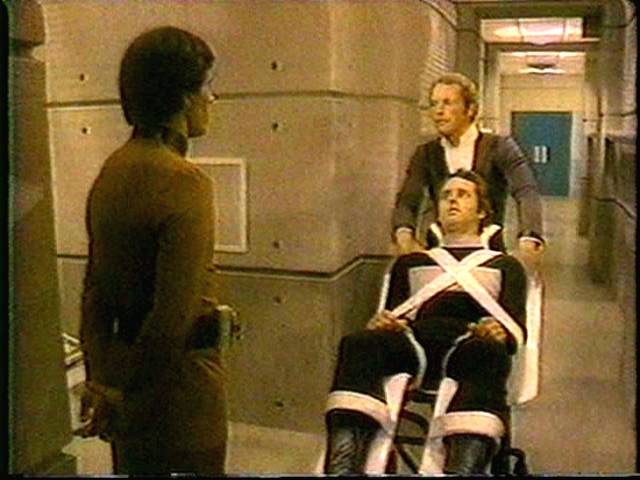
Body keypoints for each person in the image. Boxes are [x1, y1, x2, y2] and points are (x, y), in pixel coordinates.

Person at [78, 26, 227, 475]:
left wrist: (105, 383)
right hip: (180, 392)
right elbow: (171, 318)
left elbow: (94, 295)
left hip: (125, 383)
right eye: (206, 86)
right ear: (182, 98)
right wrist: (127, 392)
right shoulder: (185, 182)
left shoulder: (112, 171)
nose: (212, 98)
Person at [323, 170, 528, 474]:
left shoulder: (506, 266)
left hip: (471, 344)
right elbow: (393, 313)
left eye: (463, 195)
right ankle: (343, 467)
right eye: (446, 196)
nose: (452, 201)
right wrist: (384, 323)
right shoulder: (411, 263)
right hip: (413, 342)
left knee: (488, 353)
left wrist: (499, 332)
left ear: (482, 211)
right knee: (358, 345)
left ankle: (462, 470)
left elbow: (516, 328)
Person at [392, 72, 545, 270]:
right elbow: (408, 199)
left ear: (470, 109)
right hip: (439, 254)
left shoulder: (499, 147)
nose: (439, 111)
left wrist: (529, 236)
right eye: (434, 104)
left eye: (447, 103)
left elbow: (526, 191)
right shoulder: (426, 153)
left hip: (489, 255)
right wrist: (404, 233)